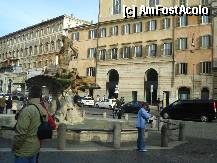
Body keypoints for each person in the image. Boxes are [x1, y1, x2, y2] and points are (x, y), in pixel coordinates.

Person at [12, 85, 48, 163]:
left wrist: (15, 146)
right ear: (40, 95)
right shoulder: (43, 109)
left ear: (29, 95)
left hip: (24, 150)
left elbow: (21, 133)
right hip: (35, 148)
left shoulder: (27, 110)